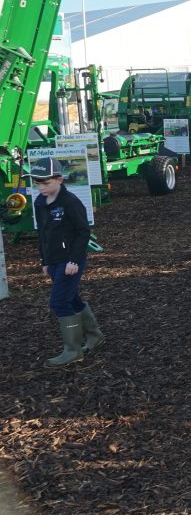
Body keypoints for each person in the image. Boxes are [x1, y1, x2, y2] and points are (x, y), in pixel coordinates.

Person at [31, 157, 104, 367]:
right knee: (70, 298)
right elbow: (42, 233)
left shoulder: (70, 202)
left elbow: (83, 232)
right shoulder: (39, 202)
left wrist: (74, 259)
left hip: (71, 261)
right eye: (38, 183)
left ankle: (72, 351)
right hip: (53, 260)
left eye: (46, 183)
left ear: (59, 180)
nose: (41, 188)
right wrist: (44, 260)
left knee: (59, 302)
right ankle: (94, 335)